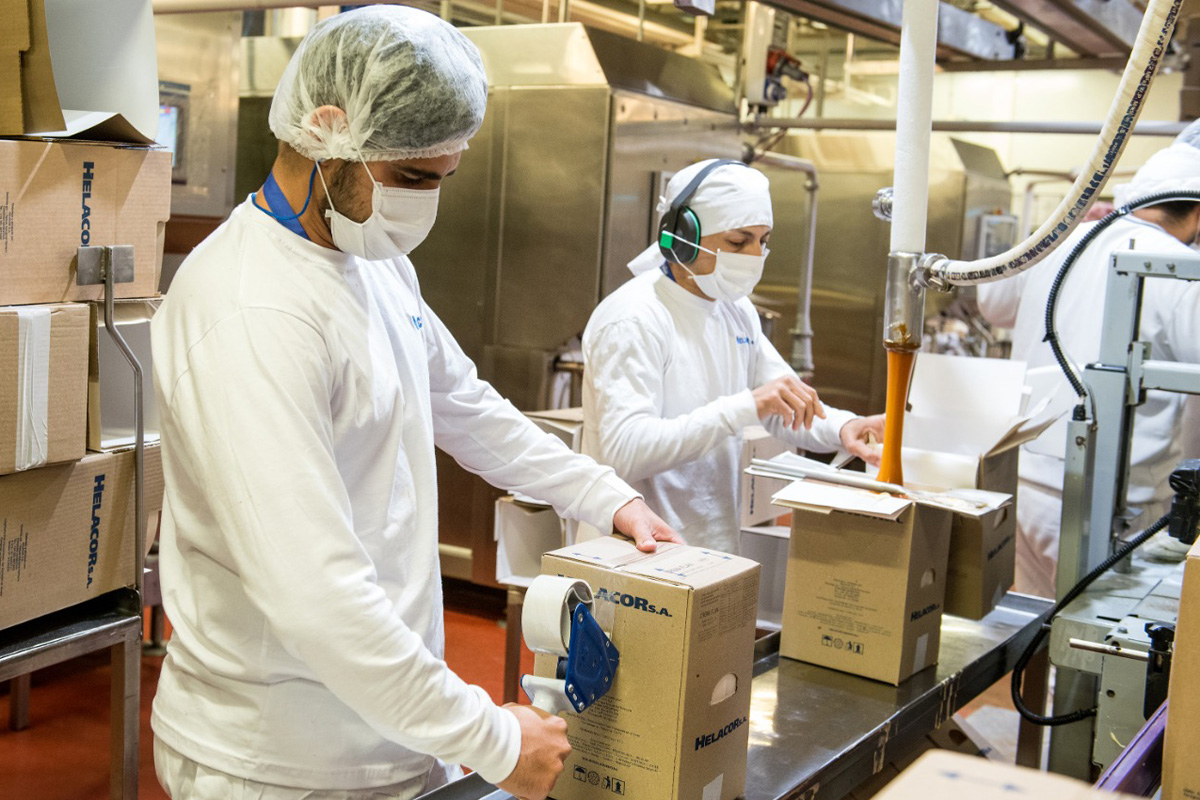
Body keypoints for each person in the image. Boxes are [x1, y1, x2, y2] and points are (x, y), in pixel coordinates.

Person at [149, 8, 680, 800]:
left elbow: (462, 403)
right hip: (276, 761)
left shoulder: (370, 257)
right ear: (328, 132)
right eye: (413, 179)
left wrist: (605, 496)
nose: (426, 204)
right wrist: (491, 736)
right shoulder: (250, 310)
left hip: (390, 726)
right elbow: (314, 591)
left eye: (443, 178)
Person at [581, 159, 886, 553]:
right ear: (683, 235)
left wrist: (844, 428)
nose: (756, 255)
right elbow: (626, 451)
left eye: (764, 240)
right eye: (740, 242)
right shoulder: (634, 319)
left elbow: (785, 403)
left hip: (710, 544)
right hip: (632, 550)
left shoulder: (735, 309)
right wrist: (743, 408)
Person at [978, 122, 1200, 598]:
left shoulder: (1067, 239)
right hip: (1112, 506)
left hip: (1023, 484)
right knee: (1091, 654)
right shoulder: (1180, 270)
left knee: (1029, 630)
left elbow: (991, 303)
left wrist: (1061, 229)